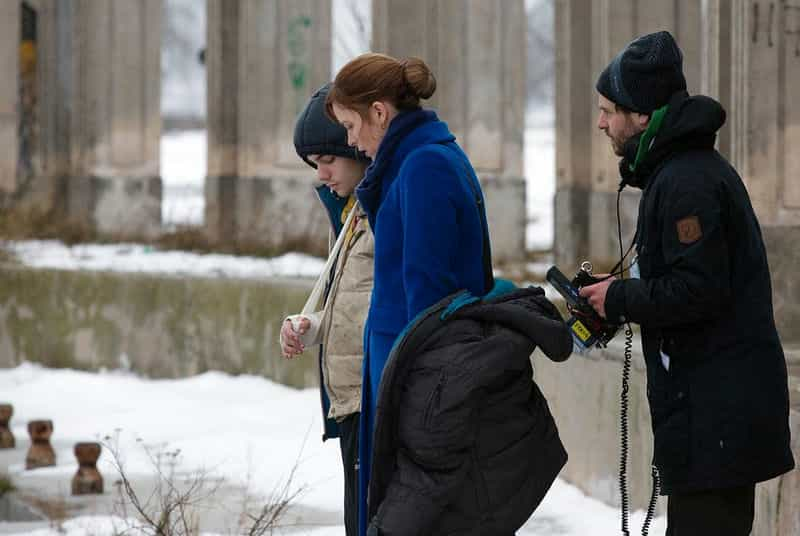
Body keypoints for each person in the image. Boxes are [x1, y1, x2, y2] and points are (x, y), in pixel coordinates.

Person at [579, 31, 795, 535]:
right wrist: (620, 290)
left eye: (609, 109)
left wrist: (621, 298)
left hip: (717, 420)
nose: (601, 122)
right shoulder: (677, 174)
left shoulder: (687, 183)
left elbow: (698, 290)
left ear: (641, 113)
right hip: (708, 418)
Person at [325, 53, 494, 535]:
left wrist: (414, 405)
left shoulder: (424, 168)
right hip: (401, 379)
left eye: (351, 125)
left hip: (417, 390)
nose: (350, 141)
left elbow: (430, 300)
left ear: (380, 112)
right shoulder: (412, 163)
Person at [280, 83, 371, 536]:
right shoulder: (352, 214)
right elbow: (354, 301)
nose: (322, 175)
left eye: (328, 160)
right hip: (351, 403)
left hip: (374, 405)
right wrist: (313, 324)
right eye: (315, 165)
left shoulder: (382, 213)